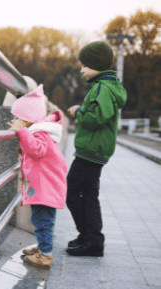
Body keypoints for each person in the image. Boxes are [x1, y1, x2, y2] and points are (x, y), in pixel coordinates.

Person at [65, 41, 127, 257]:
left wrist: (78, 111)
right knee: (89, 195)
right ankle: (91, 239)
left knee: (72, 192)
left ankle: (91, 238)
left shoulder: (101, 88)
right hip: (96, 151)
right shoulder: (108, 86)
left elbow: (97, 117)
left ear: (97, 65)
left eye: (85, 65)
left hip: (90, 151)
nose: (81, 70)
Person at [8, 85, 68, 270]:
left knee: (43, 221)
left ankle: (45, 256)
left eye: (18, 118)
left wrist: (22, 132)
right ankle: (43, 247)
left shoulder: (39, 133)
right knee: (41, 220)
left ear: (28, 119)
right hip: (44, 185)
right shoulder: (40, 132)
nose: (15, 121)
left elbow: (35, 150)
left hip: (45, 187)